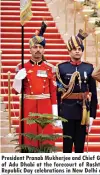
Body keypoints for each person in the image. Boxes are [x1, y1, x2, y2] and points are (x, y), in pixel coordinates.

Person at [12, 21, 59, 151]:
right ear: (30, 49)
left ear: (44, 49)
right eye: (35, 47)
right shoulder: (21, 67)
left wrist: (55, 111)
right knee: (29, 136)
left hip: (45, 105)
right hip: (29, 104)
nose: (38, 50)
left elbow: (53, 91)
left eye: (40, 47)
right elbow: (16, 91)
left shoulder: (50, 68)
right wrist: (17, 79)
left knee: (46, 136)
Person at [56, 29, 98, 153]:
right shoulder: (61, 67)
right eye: (74, 49)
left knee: (80, 145)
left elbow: (93, 93)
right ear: (69, 51)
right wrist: (58, 115)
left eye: (80, 49)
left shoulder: (89, 67)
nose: (77, 51)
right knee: (67, 145)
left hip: (83, 111)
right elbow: (58, 93)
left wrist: (92, 116)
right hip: (67, 111)